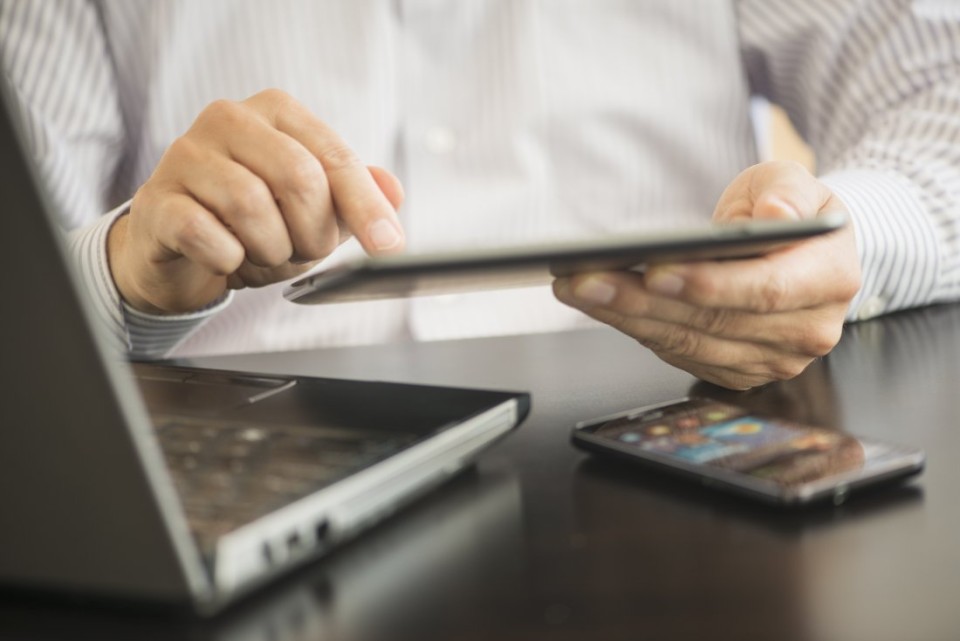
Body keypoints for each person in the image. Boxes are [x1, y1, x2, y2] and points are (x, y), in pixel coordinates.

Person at [1, 0, 957, 390]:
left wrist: (839, 239)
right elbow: (21, 276)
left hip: (669, 449)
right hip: (229, 463)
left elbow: (938, 95)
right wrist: (125, 273)